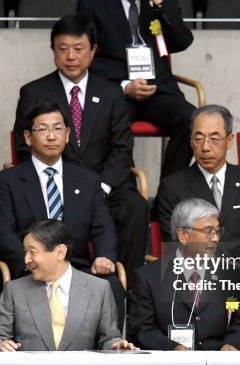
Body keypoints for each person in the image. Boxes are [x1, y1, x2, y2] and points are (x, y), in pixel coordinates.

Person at [13, 14, 149, 275]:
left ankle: (129, 289)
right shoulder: (34, 92)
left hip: (104, 184)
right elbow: (23, 145)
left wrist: (101, 187)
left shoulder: (111, 93)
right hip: (57, 183)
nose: (71, 57)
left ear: (93, 50)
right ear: (53, 50)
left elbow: (122, 148)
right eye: (63, 49)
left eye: (78, 49)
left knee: (136, 207)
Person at [0, 102, 125, 329]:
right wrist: (33, 261)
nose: (51, 136)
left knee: (111, 284)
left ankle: (112, 350)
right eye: (43, 129)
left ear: (67, 134)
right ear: (28, 137)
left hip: (78, 267)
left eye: (58, 129)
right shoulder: (7, 181)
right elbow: (2, 231)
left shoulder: (88, 180)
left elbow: (102, 226)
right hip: (31, 267)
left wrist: (104, 255)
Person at [77, 0, 196, 178]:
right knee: (110, 122)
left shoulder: (161, 2)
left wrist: (161, 7)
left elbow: (182, 41)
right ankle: (126, 190)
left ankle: (169, 193)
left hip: (158, 90)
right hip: (117, 90)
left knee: (191, 120)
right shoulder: (92, 4)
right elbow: (84, 55)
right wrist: (124, 86)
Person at [0, 220, 136, 352]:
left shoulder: (99, 289)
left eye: (32, 252)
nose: (26, 260)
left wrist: (117, 347)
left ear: (60, 252)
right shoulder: (15, 290)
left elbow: (108, 339)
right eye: (25, 252)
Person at [129, 198, 240, 351]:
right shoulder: (148, 277)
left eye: (217, 231)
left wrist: (232, 344)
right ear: (183, 235)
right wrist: (173, 348)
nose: (215, 238)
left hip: (219, 363)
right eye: (208, 231)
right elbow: (142, 329)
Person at [157, 104, 240, 244]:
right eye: (198, 139)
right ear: (191, 141)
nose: (205, 147)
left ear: (229, 140)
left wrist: (237, 264)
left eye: (214, 139)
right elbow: (175, 241)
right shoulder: (172, 187)